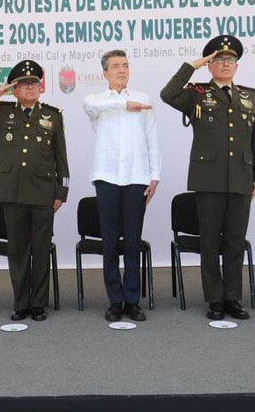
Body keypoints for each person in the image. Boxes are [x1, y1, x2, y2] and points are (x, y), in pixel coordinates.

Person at [160, 35, 255, 321]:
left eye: (230, 60)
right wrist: (192, 66)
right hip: (208, 178)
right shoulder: (196, 93)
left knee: (234, 240)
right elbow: (167, 94)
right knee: (209, 242)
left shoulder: (249, 95)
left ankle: (233, 298)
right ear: (210, 66)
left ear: (237, 66)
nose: (226, 64)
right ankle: (214, 300)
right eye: (219, 60)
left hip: (242, 177)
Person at [0, 60, 69, 322]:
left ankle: (38, 305)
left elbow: (61, 156)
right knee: (18, 251)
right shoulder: (2, 112)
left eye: (34, 84)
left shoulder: (52, 116)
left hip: (43, 193)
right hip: (11, 193)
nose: (30, 88)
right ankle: (21, 304)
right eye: (23, 84)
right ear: (15, 89)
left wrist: (61, 191)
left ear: (41, 88)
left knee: (41, 250)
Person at [83, 50, 160, 322]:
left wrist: (155, 175)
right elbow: (91, 107)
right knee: (110, 241)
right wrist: (122, 105)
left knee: (132, 241)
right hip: (106, 177)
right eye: (115, 66)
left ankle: (132, 300)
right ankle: (114, 300)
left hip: (136, 177)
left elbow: (152, 138)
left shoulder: (143, 99)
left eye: (125, 66)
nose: (121, 70)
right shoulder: (96, 101)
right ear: (104, 73)